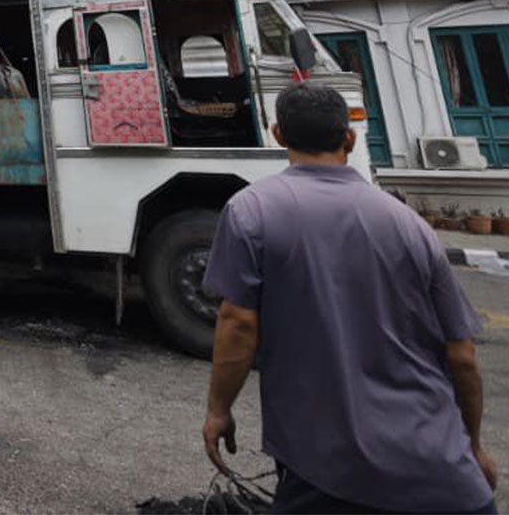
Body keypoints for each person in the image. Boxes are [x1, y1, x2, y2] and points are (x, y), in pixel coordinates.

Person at [202, 82, 496, 514]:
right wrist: (473, 446)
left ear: (277, 134)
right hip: (442, 471)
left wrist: (218, 410)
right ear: (350, 138)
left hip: (324, 470)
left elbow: (239, 324)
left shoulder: (251, 211)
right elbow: (462, 355)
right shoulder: (409, 224)